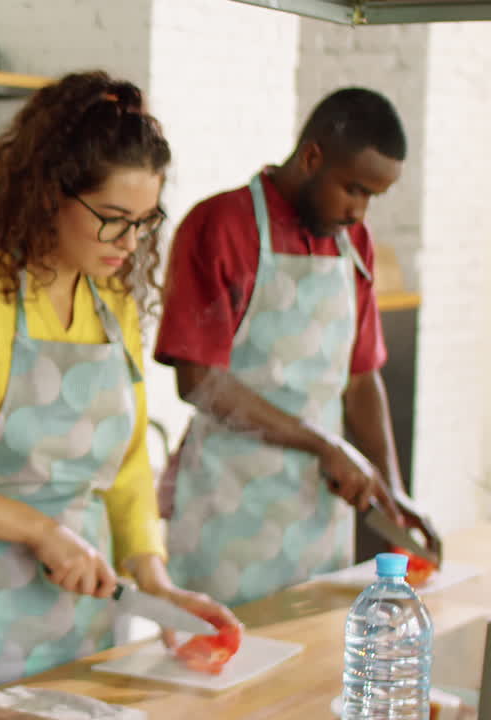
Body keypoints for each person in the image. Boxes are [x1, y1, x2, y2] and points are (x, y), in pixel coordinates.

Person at [0, 71, 239, 695]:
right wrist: (40, 530)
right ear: (49, 195)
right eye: (113, 218)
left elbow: (126, 469)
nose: (130, 242)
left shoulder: (112, 302)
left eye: (146, 222)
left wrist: (153, 577)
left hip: (80, 621)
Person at [156, 87, 441, 608]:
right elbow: (198, 380)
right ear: (312, 157)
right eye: (353, 189)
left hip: (316, 518)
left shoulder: (354, 242)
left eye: (373, 197)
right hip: (226, 514)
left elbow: (359, 378)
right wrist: (325, 445)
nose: (360, 211)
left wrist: (391, 488)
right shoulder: (220, 225)